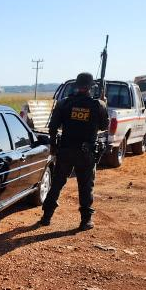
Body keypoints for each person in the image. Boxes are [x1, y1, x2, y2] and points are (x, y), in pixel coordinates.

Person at [40, 72, 109, 230]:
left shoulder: (64, 103)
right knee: (85, 186)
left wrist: (53, 146)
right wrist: (104, 104)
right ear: (91, 87)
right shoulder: (98, 105)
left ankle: (46, 216)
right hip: (86, 153)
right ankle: (86, 221)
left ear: (77, 86)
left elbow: (52, 127)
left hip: (65, 150)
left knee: (56, 184)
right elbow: (104, 127)